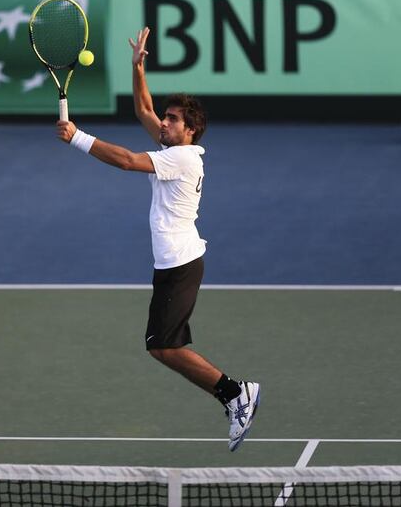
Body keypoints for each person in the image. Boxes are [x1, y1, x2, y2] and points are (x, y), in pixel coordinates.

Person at [56, 27, 260, 452]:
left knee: (164, 346)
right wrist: (138, 67)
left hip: (180, 264)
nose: (163, 123)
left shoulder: (179, 158)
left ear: (190, 131)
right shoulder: (176, 149)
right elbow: (143, 108)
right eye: (166, 119)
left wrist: (77, 137)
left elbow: (129, 161)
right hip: (175, 263)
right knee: (164, 346)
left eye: (172, 120)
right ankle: (232, 395)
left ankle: (236, 393)